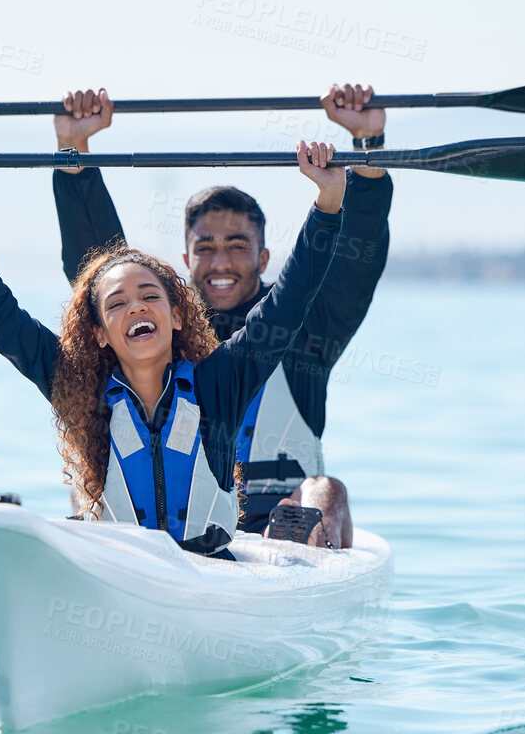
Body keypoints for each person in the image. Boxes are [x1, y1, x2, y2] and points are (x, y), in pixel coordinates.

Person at [0, 138, 360, 559]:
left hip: (214, 571)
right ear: (99, 332)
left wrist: (327, 203)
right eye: (117, 303)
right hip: (122, 569)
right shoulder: (76, 383)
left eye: (150, 296)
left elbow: (290, 299)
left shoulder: (219, 382)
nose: (135, 308)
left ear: (178, 314)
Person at [51, 84, 392, 549]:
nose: (221, 262)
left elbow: (356, 262)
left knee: (326, 490)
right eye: (206, 248)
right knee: (81, 485)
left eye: (237, 246)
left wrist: (367, 147)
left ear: (265, 256)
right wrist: (74, 154)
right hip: (165, 539)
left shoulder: (308, 327)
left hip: (279, 546)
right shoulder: (149, 331)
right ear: (186, 262)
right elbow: (102, 273)